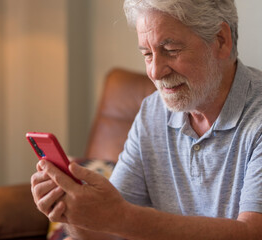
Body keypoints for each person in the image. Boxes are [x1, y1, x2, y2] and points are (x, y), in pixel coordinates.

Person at [31, 0, 262, 239]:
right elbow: (107, 230)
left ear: (221, 40)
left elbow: (252, 232)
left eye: (171, 50)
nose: (154, 71)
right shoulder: (153, 111)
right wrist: (72, 211)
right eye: (147, 54)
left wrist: (121, 217)